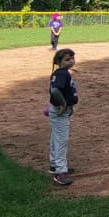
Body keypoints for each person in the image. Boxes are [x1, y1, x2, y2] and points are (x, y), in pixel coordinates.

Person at [47, 48, 78, 186]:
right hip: (60, 111)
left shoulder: (62, 73)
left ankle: (54, 165)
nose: (71, 61)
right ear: (58, 62)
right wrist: (64, 104)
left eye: (72, 58)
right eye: (67, 59)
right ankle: (60, 172)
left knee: (56, 137)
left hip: (59, 110)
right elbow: (54, 90)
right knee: (61, 140)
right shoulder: (61, 73)